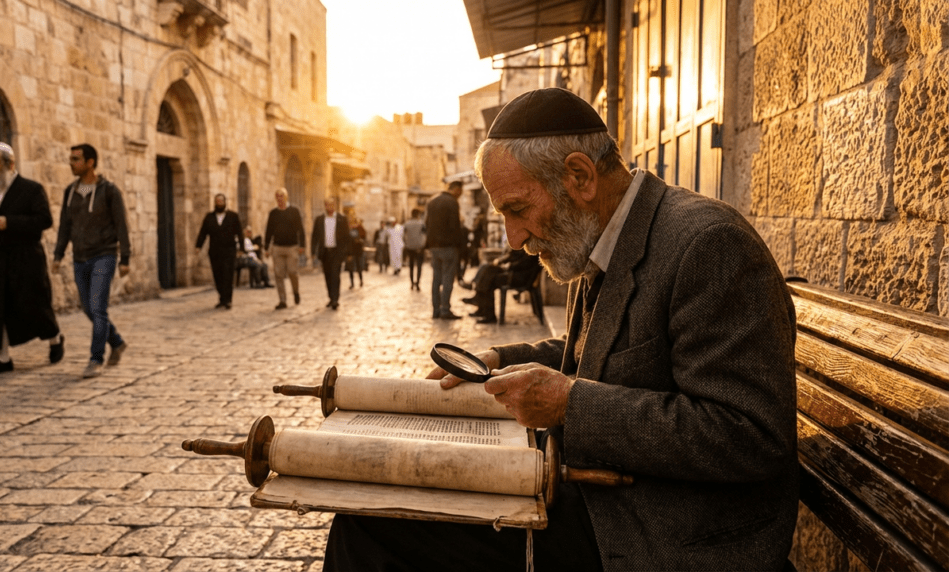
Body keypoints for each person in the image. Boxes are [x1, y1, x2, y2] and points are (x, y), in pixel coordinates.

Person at [323, 88, 799, 571]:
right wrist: (499, 361)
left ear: (579, 176)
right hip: (599, 497)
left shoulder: (708, 245)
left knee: (372, 526)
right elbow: (602, 350)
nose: (514, 237)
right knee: (381, 505)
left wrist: (570, 402)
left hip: (665, 531)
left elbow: (752, 436)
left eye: (517, 209)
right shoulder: (600, 233)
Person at [0, 142, 65, 376]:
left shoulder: (32, 189)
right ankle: (3, 358)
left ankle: (55, 339)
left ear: (10, 164)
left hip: (25, 258)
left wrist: (11, 222)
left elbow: (44, 220)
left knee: (36, 305)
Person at [52, 143, 131, 379]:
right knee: (89, 309)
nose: (71, 163)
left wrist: (124, 258)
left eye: (76, 159)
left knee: (98, 307)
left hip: (104, 255)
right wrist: (58, 254)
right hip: (80, 258)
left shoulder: (109, 191)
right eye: (70, 159)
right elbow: (65, 226)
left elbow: (121, 225)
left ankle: (96, 358)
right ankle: (116, 341)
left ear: (90, 162)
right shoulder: (70, 192)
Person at [460, 248, 541, 324]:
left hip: (520, 277)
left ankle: (484, 308)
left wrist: (509, 266)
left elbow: (525, 263)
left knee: (490, 277)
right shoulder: (525, 245)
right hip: (515, 273)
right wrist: (502, 262)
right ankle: (482, 307)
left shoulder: (533, 248)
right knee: (486, 268)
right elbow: (513, 256)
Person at [195, 194, 242, 309]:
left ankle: (228, 300)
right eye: (217, 201)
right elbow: (203, 232)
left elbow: (239, 233)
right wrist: (198, 246)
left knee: (228, 275)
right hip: (215, 251)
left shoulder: (233, 216)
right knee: (218, 275)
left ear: (225, 202)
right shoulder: (209, 217)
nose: (219, 203)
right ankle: (222, 298)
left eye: (221, 201)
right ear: (215, 203)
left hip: (229, 250)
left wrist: (241, 248)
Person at [425, 180, 463, 319]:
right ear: (457, 189)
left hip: (434, 246)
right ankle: (445, 309)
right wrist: (459, 245)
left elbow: (427, 223)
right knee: (447, 279)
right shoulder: (452, 202)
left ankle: (436, 310)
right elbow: (455, 226)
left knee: (436, 279)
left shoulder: (432, 201)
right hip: (448, 246)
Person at [264, 188, 305, 310]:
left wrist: (302, 245)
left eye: (282, 196)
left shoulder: (294, 211)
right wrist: (266, 247)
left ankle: (296, 292)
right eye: (278, 196)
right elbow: (269, 231)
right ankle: (282, 300)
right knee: (278, 274)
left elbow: (300, 229)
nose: (280, 199)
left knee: (292, 272)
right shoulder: (273, 213)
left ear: (286, 197)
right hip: (277, 247)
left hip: (292, 247)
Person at [311, 197, 349, 310]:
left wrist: (346, 253)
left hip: (337, 252)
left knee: (335, 275)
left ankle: (335, 299)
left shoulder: (342, 219)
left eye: (332, 204)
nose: (330, 207)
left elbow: (347, 237)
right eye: (327, 204)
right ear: (325, 206)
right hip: (325, 252)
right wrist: (313, 251)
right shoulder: (320, 219)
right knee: (327, 275)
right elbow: (315, 237)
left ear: (335, 205)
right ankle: (330, 297)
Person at [402, 208, 426, 291]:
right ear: (418, 214)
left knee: (411, 266)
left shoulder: (406, 224)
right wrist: (422, 245)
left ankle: (412, 283)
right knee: (419, 266)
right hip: (419, 247)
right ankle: (418, 283)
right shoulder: (421, 224)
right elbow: (424, 235)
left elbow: (403, 236)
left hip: (410, 247)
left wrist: (407, 244)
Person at [346, 217, 366, 289]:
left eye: (354, 222)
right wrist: (348, 253)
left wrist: (359, 241)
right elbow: (347, 242)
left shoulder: (360, 229)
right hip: (351, 252)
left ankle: (361, 280)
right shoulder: (348, 231)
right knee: (350, 269)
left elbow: (363, 239)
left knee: (359, 267)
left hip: (358, 251)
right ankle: (352, 283)